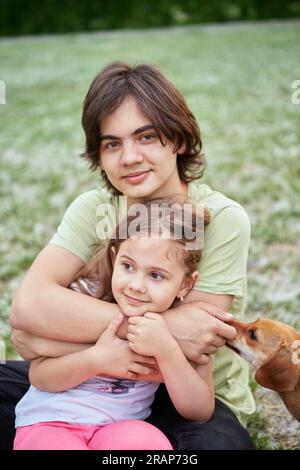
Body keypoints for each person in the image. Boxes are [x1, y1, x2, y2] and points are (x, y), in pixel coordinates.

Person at [3, 62, 255, 450]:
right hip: (89, 377)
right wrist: (157, 330)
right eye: (112, 143)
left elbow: (194, 340)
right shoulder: (94, 208)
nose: (130, 157)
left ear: (180, 140)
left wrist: (51, 339)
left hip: (180, 392)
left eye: (147, 137)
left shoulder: (221, 218)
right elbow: (29, 308)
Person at [13, 200, 214, 450]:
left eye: (156, 275)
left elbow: (200, 410)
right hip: (51, 422)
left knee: (147, 442)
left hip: (119, 426)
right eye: (128, 266)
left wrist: (168, 351)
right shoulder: (83, 298)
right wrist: (96, 360)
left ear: (185, 285)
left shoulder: (183, 329)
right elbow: (39, 376)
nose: (136, 285)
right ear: (114, 256)